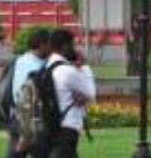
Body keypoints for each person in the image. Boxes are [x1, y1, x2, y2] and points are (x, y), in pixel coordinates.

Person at [44, 28, 95, 158]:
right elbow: (91, 94)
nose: (75, 48)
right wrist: (84, 66)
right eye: (73, 45)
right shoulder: (67, 71)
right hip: (67, 128)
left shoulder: (45, 68)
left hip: (47, 128)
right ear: (65, 46)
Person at [6, 29, 52, 158]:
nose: (52, 49)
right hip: (32, 122)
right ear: (42, 44)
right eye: (50, 44)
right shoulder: (39, 67)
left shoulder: (20, 60)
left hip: (16, 118)